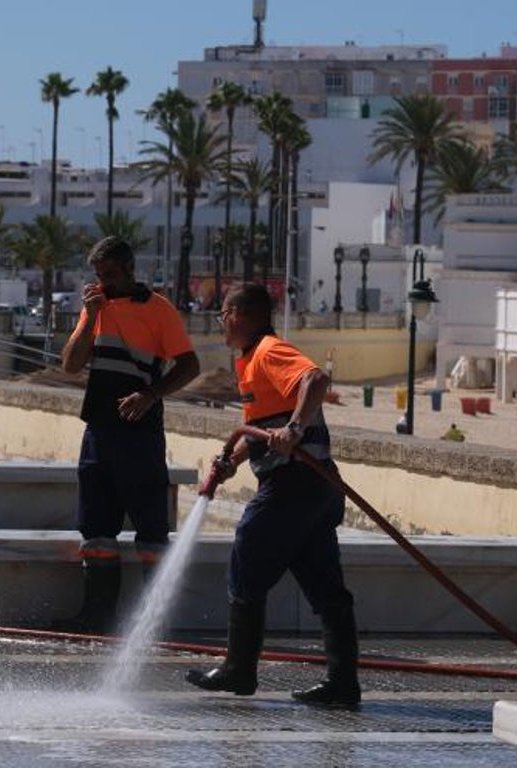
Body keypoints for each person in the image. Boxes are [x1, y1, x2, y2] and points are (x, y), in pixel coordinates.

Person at [186, 283, 360, 709]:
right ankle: (343, 683)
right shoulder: (249, 363)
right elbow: (265, 429)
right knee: (325, 586)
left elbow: (315, 379)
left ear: (236, 314)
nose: (220, 322)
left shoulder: (268, 351)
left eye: (222, 314)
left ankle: (239, 670)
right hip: (314, 490)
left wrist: (296, 428)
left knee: (246, 558)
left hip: (294, 484)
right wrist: (234, 462)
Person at [58, 236, 200, 632]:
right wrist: (88, 316)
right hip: (99, 430)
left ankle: (154, 622)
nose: (104, 282)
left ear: (130, 270)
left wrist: (150, 394)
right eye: (99, 276)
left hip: (139, 433)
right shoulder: (96, 308)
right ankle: (97, 615)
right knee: (97, 528)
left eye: (111, 275)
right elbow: (70, 365)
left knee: (151, 529)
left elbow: (190, 365)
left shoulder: (158, 310)